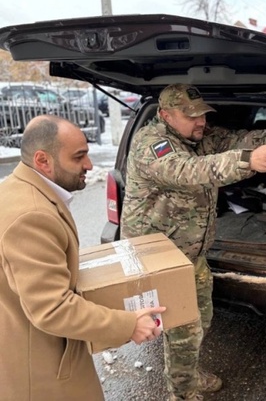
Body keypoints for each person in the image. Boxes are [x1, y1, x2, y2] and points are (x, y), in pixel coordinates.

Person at [120, 84, 266, 401]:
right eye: (191, 116)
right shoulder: (152, 144)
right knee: (182, 327)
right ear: (166, 115)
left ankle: (187, 370)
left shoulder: (199, 136)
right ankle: (182, 392)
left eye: (202, 114)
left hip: (191, 252)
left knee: (201, 318)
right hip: (159, 256)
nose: (200, 122)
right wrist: (249, 161)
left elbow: (236, 139)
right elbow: (187, 171)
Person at [0, 115, 166, 401]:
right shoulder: (32, 215)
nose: (89, 165)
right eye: (79, 157)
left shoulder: (17, 189)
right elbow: (51, 309)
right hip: (40, 367)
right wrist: (129, 324)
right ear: (43, 161)